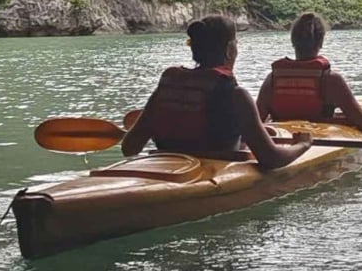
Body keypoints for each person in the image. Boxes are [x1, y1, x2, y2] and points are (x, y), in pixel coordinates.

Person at [120, 15, 311, 169]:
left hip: (168, 169)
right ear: (229, 50)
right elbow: (272, 159)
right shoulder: (237, 96)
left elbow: (129, 147)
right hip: (211, 174)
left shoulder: (168, 87)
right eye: (236, 43)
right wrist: (302, 145)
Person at [257, 12, 362, 133]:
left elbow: (255, 123)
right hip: (315, 142)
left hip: (283, 141)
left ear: (293, 42)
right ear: (321, 42)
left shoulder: (273, 79)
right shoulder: (332, 80)